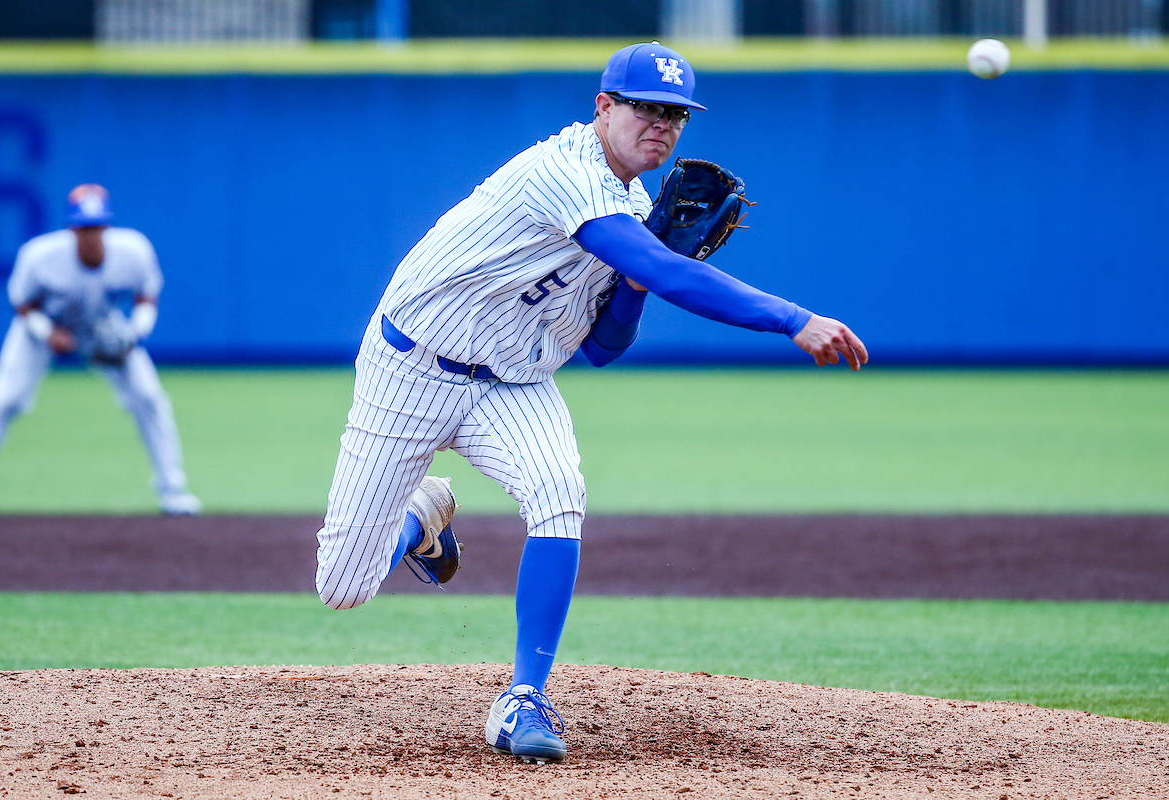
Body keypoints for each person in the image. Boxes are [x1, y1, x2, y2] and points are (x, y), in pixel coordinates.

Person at [315, 41, 867, 764]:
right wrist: (790, 317)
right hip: (410, 369)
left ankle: (524, 697)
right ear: (604, 108)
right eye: (646, 108)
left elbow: (602, 346)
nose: (662, 126)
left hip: (511, 383)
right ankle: (422, 514)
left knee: (559, 493)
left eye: (675, 115)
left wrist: (639, 276)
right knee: (344, 589)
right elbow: (655, 267)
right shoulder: (565, 172)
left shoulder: (634, 209)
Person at [0, 184, 202, 516]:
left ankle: (172, 491)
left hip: (102, 326)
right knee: (4, 400)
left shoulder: (132, 250)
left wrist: (135, 333)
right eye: (83, 228)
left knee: (149, 398)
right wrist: (48, 333)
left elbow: (147, 296)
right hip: (44, 326)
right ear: (71, 229)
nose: (91, 235)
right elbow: (21, 302)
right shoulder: (40, 256)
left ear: (107, 227)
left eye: (97, 227)